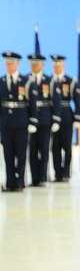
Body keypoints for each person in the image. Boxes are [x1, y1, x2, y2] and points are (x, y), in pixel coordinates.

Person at [49, 54, 80, 182]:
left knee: (67, 146)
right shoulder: (50, 81)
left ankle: (66, 172)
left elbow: (78, 101)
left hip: (67, 117)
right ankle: (57, 172)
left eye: (59, 65)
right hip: (53, 116)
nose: (57, 67)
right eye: (55, 65)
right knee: (55, 147)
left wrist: (78, 119)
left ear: (64, 65)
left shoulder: (70, 81)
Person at [1, 51, 31, 191]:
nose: (9, 65)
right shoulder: (1, 81)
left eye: (11, 62)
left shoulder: (25, 81)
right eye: (7, 62)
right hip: (6, 123)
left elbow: (32, 103)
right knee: (8, 154)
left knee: (20, 153)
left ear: (17, 64)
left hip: (21, 122)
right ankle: (10, 182)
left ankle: (20, 181)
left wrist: (33, 121)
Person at [26, 53, 53, 186]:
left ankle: (42, 177)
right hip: (30, 119)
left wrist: (55, 119)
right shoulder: (26, 79)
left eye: (37, 64)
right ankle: (34, 177)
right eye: (32, 63)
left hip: (44, 119)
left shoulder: (49, 80)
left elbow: (55, 101)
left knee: (44, 149)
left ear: (43, 65)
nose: (34, 66)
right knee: (32, 150)